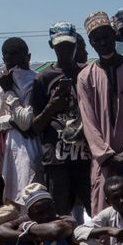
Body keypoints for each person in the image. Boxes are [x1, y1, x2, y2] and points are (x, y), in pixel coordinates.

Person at [78, 12, 123, 214]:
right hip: (105, 162)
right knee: (103, 215)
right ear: (91, 43)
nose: (103, 42)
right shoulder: (85, 77)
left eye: (106, 36)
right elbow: (89, 122)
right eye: (97, 39)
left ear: (114, 35)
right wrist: (108, 157)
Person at [40, 23, 93, 218]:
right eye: (60, 46)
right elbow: (36, 125)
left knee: (96, 213)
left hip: (86, 157)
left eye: (69, 45)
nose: (65, 50)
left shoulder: (88, 73)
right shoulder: (44, 79)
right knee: (59, 216)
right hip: (57, 161)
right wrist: (53, 106)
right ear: (51, 45)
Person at [0, 40, 46, 202]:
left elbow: (26, 121)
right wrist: (12, 120)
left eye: (19, 64)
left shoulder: (35, 81)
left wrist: (10, 91)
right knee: (12, 198)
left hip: (31, 147)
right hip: (11, 148)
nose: (15, 70)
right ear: (4, 61)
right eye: (10, 65)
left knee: (30, 194)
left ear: (28, 58)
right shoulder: (4, 82)